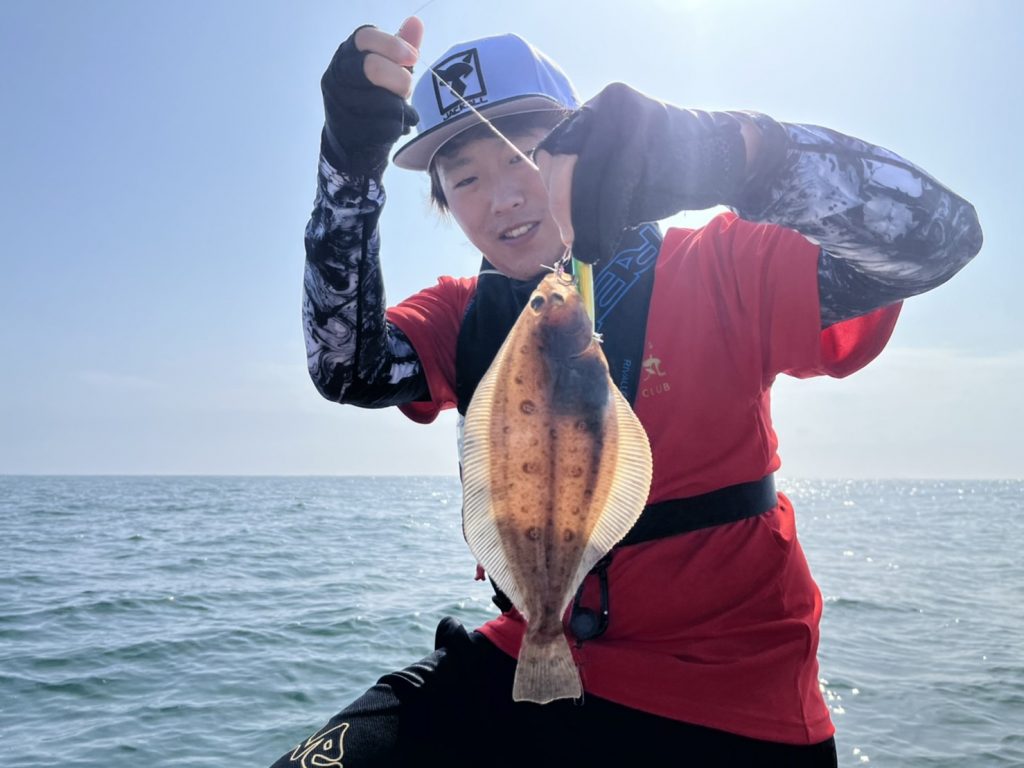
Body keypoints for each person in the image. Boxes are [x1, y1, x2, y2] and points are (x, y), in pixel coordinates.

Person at [274, 16, 982, 768]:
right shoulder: (462, 314)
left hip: (730, 698)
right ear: (444, 201)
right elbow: (345, 366)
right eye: (465, 178)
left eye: (523, 156)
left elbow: (936, 239)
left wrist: (734, 154)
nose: (502, 198)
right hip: (525, 653)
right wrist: (347, 171)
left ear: (581, 150)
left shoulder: (721, 266)